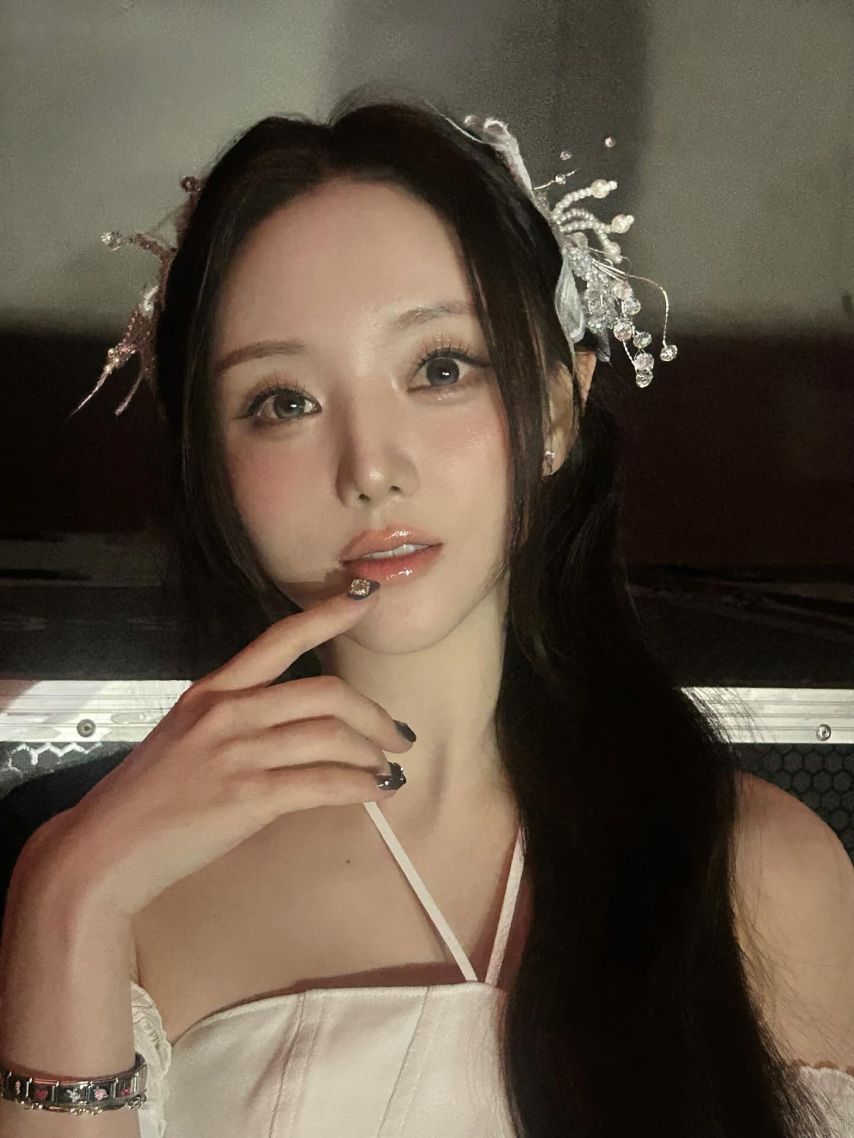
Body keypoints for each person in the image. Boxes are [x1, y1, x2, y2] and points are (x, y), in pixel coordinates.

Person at [1, 86, 852, 1138]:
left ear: (556, 409)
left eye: (439, 368)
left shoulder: (760, 872)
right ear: (212, 465)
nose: (369, 467)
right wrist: (67, 896)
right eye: (282, 401)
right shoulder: (126, 879)